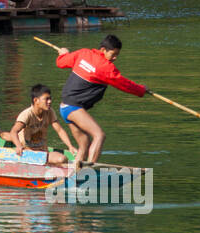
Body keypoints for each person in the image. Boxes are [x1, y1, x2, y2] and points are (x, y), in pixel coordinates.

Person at [54, 35, 149, 163]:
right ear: (103, 50)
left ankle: (76, 173)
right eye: (113, 54)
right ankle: (90, 169)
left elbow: (61, 63)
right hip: (73, 107)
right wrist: (142, 90)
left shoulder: (83, 53)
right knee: (99, 135)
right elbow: (124, 84)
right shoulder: (106, 67)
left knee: (84, 143)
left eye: (117, 55)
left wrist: (63, 54)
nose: (115, 58)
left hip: (64, 106)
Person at [4, 83, 78, 165]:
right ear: (36, 100)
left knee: (63, 160)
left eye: (50, 99)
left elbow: (59, 130)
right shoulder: (27, 114)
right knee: (59, 160)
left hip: (43, 152)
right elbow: (14, 131)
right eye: (46, 99)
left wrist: (70, 146)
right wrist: (18, 146)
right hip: (27, 153)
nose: (50, 102)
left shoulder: (49, 112)